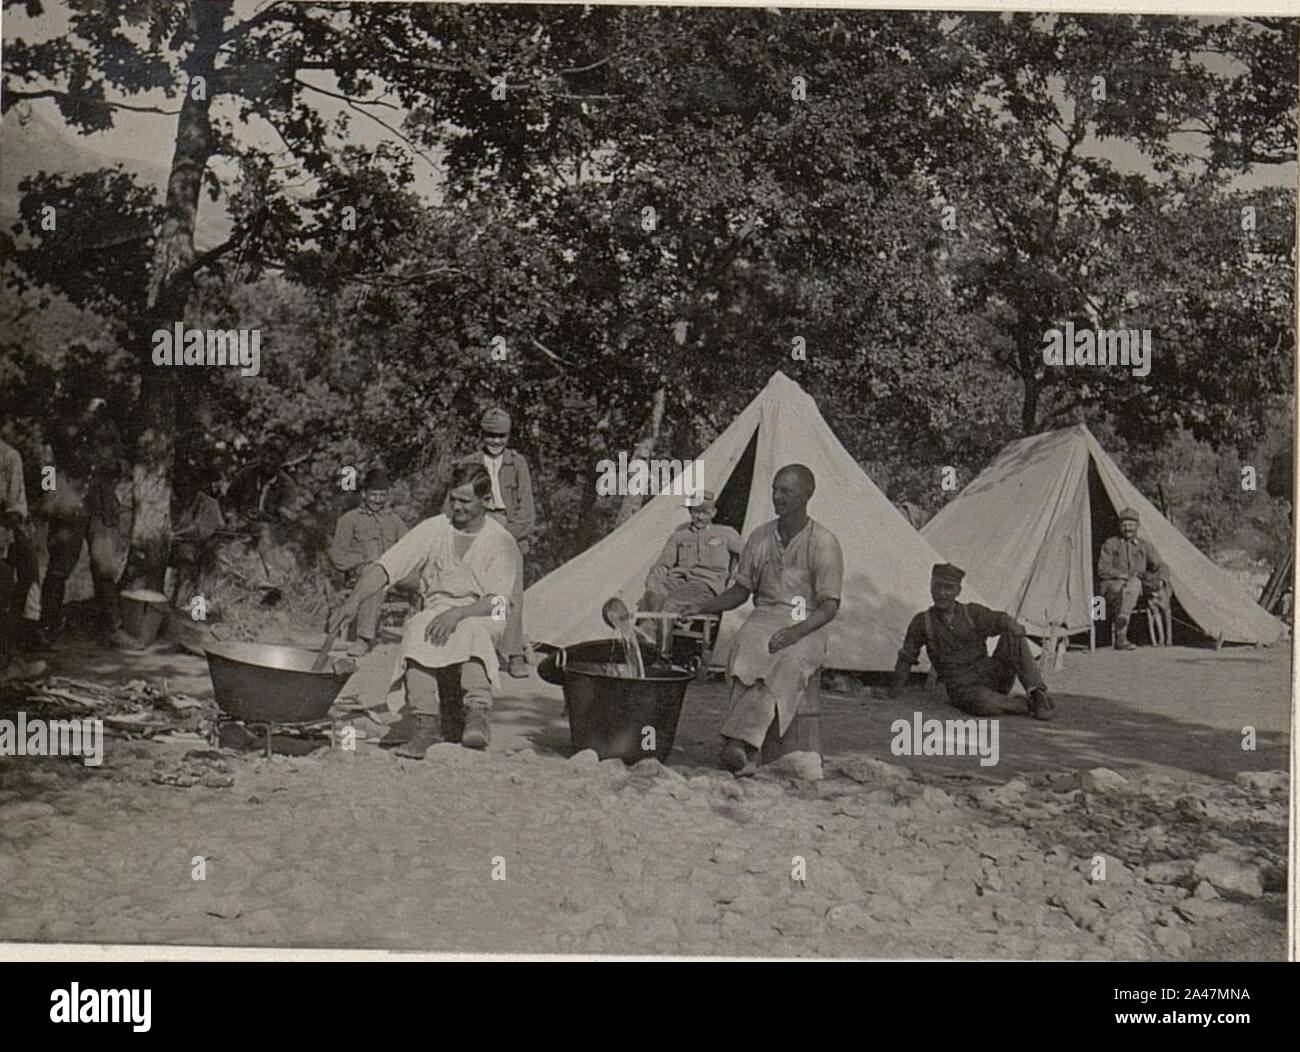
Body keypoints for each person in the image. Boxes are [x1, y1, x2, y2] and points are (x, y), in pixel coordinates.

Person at [331, 462, 521, 758]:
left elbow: (498, 601)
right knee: (417, 628)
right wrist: (353, 601)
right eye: (453, 499)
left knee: (471, 630)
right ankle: (425, 725)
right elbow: (387, 566)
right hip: (438, 606)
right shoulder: (435, 528)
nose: (456, 507)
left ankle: (477, 715)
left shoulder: (500, 541)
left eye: (465, 501)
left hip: (486, 611)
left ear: (485, 502)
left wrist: (459, 614)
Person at [676, 465, 842, 776]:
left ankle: (740, 743)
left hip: (804, 617)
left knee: (788, 662)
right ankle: (742, 747)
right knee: (744, 650)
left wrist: (795, 632)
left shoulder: (823, 542)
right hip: (765, 613)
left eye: (786, 492)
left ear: (807, 495)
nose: (777, 497)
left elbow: (829, 606)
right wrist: (704, 607)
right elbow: (741, 590)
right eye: (775, 490)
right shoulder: (761, 536)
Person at [891, 562, 1055, 721]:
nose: (942, 593)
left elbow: (998, 619)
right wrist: (893, 691)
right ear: (930, 587)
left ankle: (1037, 693)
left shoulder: (972, 613)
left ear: (958, 590)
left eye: (948, 587)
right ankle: (1023, 705)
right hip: (964, 689)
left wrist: (1012, 625)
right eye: (937, 586)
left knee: (1012, 635)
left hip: (994, 676)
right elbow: (906, 657)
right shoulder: (922, 622)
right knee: (985, 705)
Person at [445, 408, 535, 678]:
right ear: (482, 435)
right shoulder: (469, 463)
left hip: (507, 529)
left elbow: (527, 511)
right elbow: (453, 502)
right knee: (474, 589)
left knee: (509, 594)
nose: (496, 441)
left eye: (501, 436)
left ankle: (513, 651)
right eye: (491, 436)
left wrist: (508, 535)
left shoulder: (517, 463)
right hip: (474, 524)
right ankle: (483, 650)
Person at [37, 407, 135, 649]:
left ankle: (113, 629)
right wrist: (50, 494)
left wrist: (117, 468)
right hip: (69, 506)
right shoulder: (65, 421)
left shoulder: (108, 426)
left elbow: (123, 463)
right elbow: (46, 462)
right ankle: (46, 629)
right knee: (59, 569)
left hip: (100, 506)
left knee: (105, 569)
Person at [640, 490, 742, 653]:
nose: (700, 517)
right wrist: (655, 582)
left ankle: (656, 649)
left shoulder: (726, 533)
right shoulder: (680, 535)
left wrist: (734, 581)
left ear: (713, 513)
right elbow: (663, 564)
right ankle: (646, 641)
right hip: (678, 581)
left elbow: (746, 555)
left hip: (705, 585)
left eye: (705, 513)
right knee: (652, 595)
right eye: (696, 512)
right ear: (690, 512)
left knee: (671, 603)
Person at [328, 465, 407, 656]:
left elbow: (409, 550)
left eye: (382, 495)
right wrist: (363, 558)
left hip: (395, 574)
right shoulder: (350, 520)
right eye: (373, 495)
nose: (377, 500)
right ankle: (363, 639)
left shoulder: (395, 521)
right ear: (363, 493)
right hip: (361, 574)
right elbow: (337, 557)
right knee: (373, 578)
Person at [1097, 507, 1168, 651]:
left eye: (1131, 524)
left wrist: (1161, 579)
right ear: (1120, 526)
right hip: (1112, 587)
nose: (1127, 528)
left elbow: (1161, 565)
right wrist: (1121, 575)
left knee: (1134, 584)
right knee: (1119, 589)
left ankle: (1121, 635)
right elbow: (1102, 569)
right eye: (1124, 524)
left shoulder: (1144, 546)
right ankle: (1108, 634)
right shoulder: (1111, 544)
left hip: (1134, 589)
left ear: (1137, 526)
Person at [0, 436, 42, 649]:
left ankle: (32, 627)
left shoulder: (39, 451)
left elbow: (48, 475)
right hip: (12, 519)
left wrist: (49, 500)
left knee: (33, 572)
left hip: (30, 516)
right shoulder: (11, 454)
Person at [168, 477, 226, 612]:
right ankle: (179, 604)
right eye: (178, 485)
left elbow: (207, 531)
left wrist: (178, 535)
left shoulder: (208, 504)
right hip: (178, 546)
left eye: (186, 485)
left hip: (205, 546)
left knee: (202, 563)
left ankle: (197, 609)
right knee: (185, 555)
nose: (182, 489)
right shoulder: (172, 501)